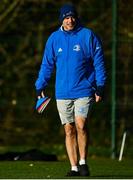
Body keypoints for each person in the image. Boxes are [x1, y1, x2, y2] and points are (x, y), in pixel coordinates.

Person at [35, 4, 106, 177]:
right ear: (62, 19)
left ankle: (83, 163)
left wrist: (100, 85)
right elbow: (47, 64)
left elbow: (99, 62)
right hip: (62, 92)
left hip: (84, 89)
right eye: (66, 17)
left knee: (81, 125)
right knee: (69, 129)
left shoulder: (87, 35)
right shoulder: (54, 38)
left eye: (72, 16)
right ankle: (73, 167)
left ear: (76, 17)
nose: (70, 20)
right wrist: (40, 85)